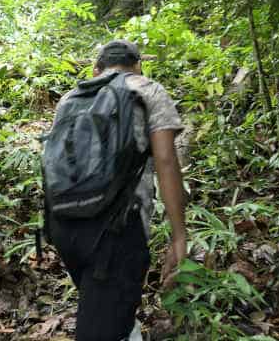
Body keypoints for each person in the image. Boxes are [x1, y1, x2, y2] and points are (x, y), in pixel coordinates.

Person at [46, 40, 187, 341]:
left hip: (63, 227)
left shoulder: (71, 97)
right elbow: (165, 159)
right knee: (101, 327)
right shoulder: (146, 88)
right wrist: (179, 236)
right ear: (137, 65)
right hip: (116, 232)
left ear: (97, 69)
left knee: (111, 313)